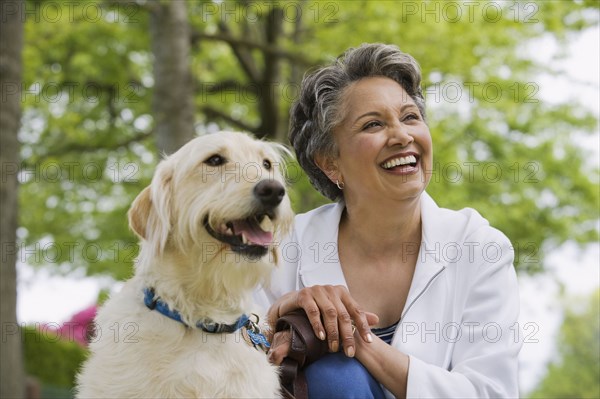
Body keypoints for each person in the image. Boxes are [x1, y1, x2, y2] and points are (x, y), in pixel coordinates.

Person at [255, 43, 521, 398]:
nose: (402, 136)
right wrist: (279, 319)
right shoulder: (283, 245)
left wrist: (358, 340)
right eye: (374, 124)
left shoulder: (479, 246)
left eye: (410, 117)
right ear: (329, 162)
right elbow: (226, 360)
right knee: (335, 377)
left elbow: (490, 392)